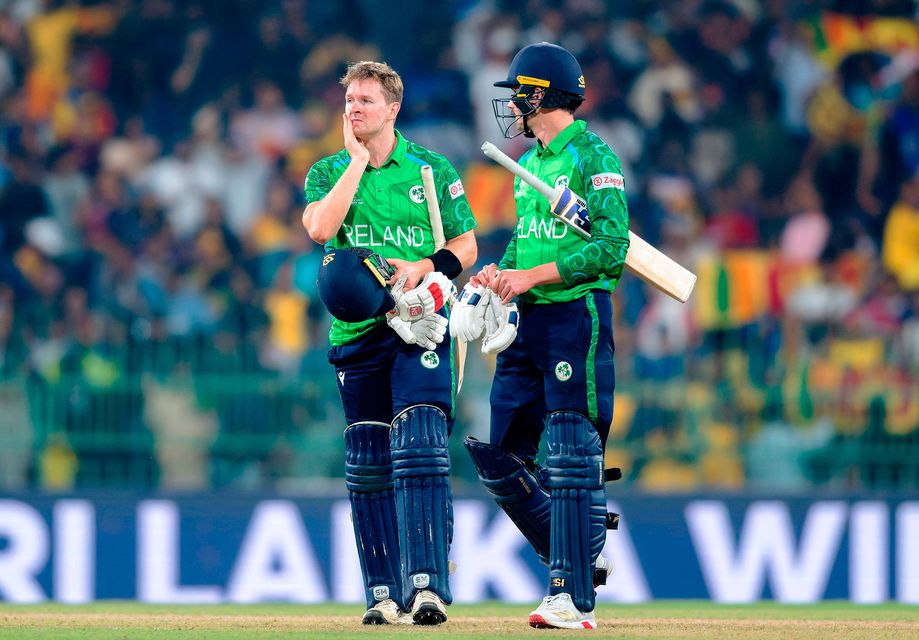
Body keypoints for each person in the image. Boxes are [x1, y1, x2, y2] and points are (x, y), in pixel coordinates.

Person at [458, 42, 629, 630]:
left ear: (540, 95)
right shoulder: (529, 166)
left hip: (573, 316)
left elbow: (612, 246)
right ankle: (580, 550)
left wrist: (530, 275)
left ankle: (570, 596)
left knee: (571, 449)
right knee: (500, 454)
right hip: (525, 320)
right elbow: (529, 243)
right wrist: (502, 272)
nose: (512, 106)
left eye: (517, 95)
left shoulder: (592, 155)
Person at [302, 61, 477, 625]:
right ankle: (381, 591)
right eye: (349, 100)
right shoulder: (329, 169)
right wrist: (356, 162)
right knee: (368, 462)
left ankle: (426, 586)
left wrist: (424, 265)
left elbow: (466, 247)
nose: (354, 108)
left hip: (420, 325)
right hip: (356, 333)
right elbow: (320, 231)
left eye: (366, 101)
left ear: (393, 109)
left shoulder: (431, 168)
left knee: (422, 446)